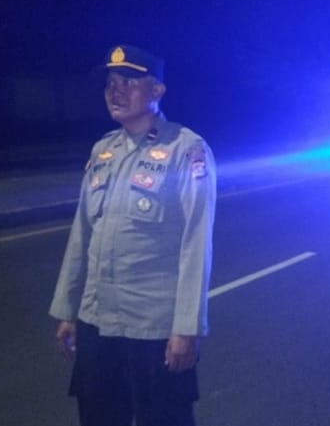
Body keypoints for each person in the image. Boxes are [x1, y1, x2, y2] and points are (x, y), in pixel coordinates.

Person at [49, 44, 216, 426]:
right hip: (96, 320)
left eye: (128, 82)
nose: (115, 91)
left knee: (164, 418)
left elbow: (196, 244)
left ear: (157, 91)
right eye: (111, 83)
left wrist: (186, 328)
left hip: (153, 326)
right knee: (98, 416)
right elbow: (81, 235)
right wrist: (69, 310)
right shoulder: (102, 151)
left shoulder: (186, 150)